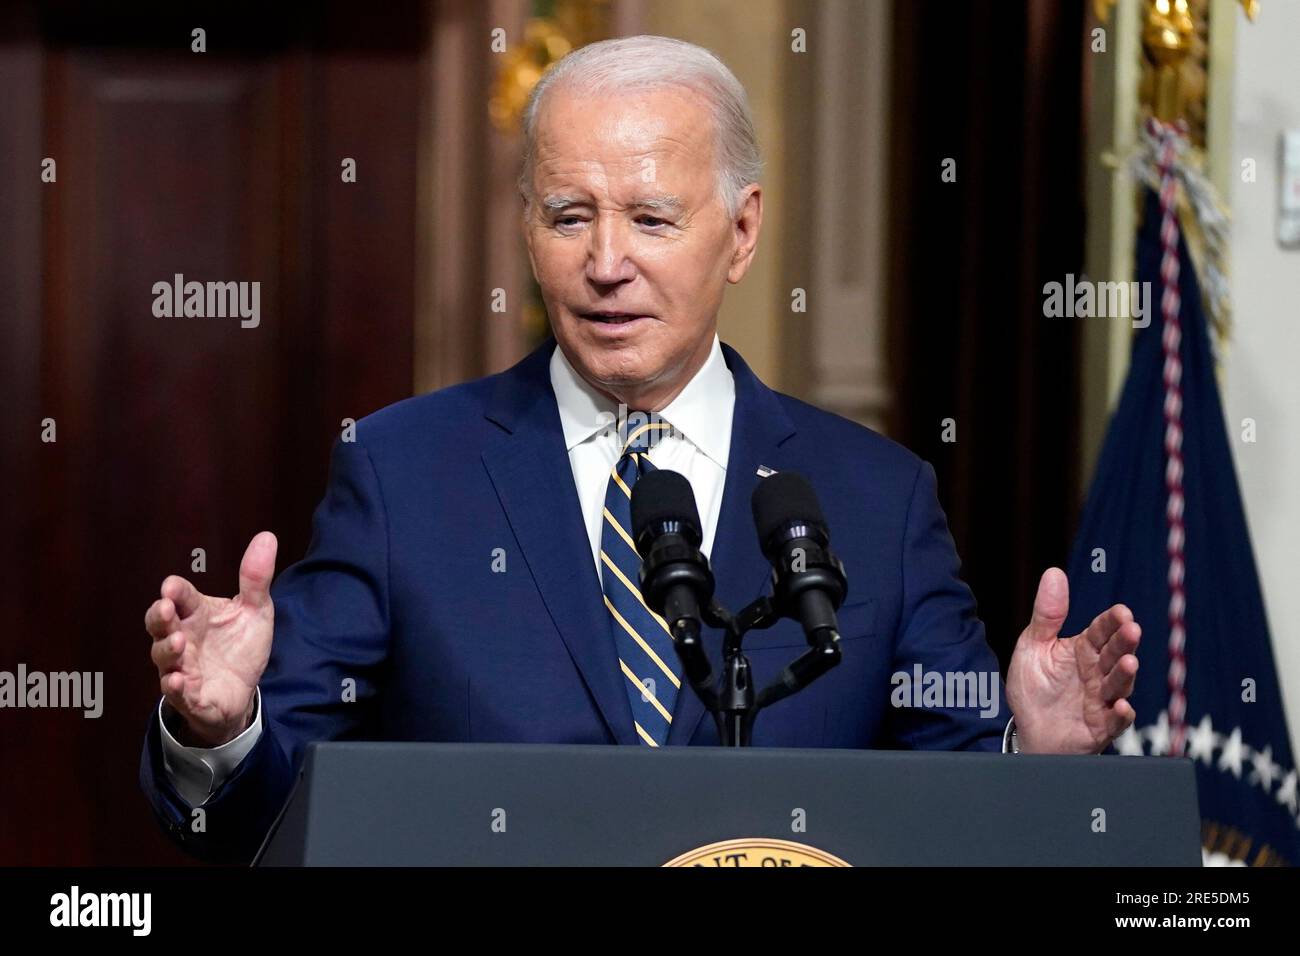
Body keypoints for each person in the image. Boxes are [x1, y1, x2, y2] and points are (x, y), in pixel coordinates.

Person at [140, 35, 1142, 863]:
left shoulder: (876, 498)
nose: (605, 262)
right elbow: (265, 822)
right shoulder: (405, 472)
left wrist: (1033, 754)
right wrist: (220, 729)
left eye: (652, 218)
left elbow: (958, 811)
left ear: (742, 232)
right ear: (528, 230)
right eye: (568, 215)